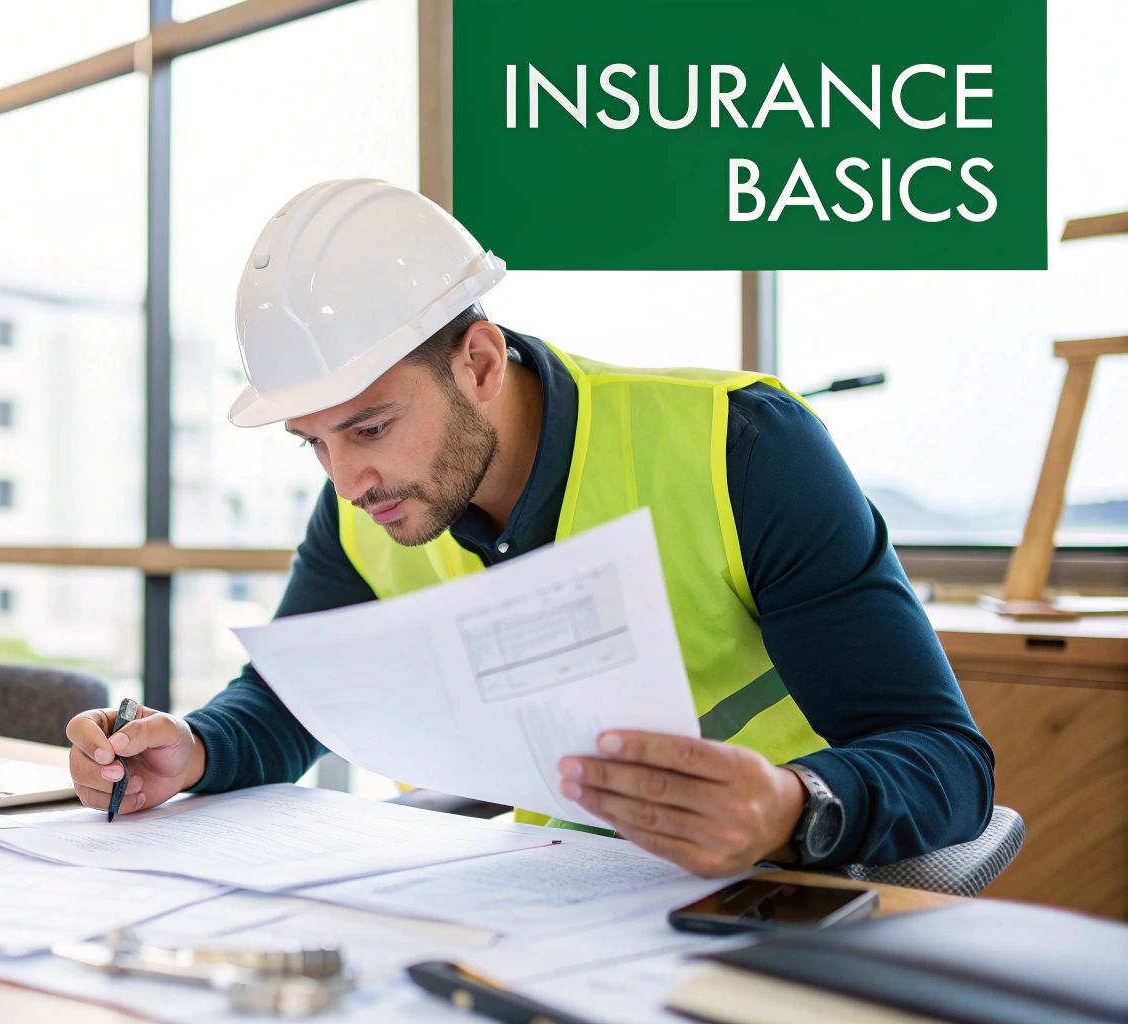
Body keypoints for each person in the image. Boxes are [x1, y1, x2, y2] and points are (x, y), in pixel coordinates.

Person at [64, 179, 993, 876]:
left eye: (371, 426)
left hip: (781, 887)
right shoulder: (375, 500)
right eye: (313, 443)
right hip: (560, 898)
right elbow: (290, 699)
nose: (347, 479)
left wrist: (794, 805)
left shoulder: (739, 447)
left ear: (477, 362)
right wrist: (193, 749)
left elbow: (946, 759)